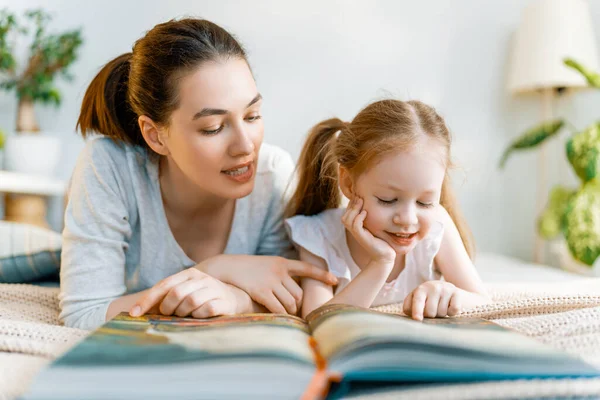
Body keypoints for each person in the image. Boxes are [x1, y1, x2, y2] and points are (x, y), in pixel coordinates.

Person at [59, 18, 337, 330]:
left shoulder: (272, 176)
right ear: (155, 135)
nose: (245, 146)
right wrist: (215, 270)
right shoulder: (110, 166)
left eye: (252, 115)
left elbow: (285, 297)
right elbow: (83, 315)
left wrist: (237, 300)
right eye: (213, 128)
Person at [285, 99, 490, 320]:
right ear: (349, 184)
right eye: (388, 200)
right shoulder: (318, 237)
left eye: (425, 202)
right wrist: (380, 263)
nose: (408, 219)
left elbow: (480, 298)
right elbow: (318, 318)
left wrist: (449, 294)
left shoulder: (437, 226)